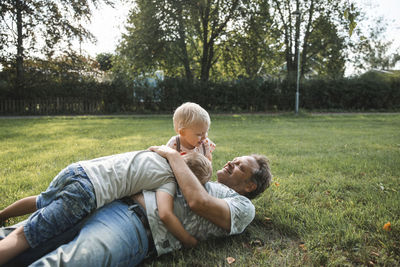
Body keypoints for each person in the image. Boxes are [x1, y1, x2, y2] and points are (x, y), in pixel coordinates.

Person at [1, 146, 271, 266]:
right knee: (25, 234)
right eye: (234, 160)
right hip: (103, 198)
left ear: (250, 186)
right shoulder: (200, 176)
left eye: (240, 166)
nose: (231, 163)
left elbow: (197, 202)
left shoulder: (242, 206)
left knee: (69, 261)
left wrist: (173, 157)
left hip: (136, 226)